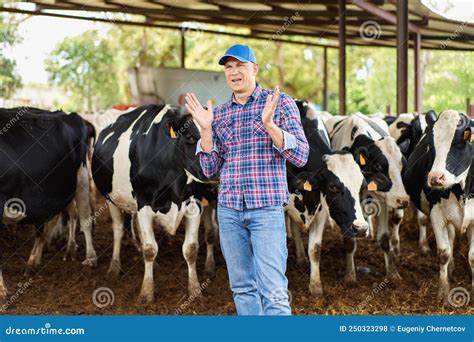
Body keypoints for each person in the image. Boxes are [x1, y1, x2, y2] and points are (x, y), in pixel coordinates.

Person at [185, 44, 309, 315]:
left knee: (274, 291)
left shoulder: (280, 103)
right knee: (242, 288)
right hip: (229, 211)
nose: (234, 72)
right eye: (228, 67)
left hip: (265, 209)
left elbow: (301, 156)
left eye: (240, 65)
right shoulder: (220, 114)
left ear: (255, 68)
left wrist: (270, 125)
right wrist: (206, 130)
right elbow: (208, 169)